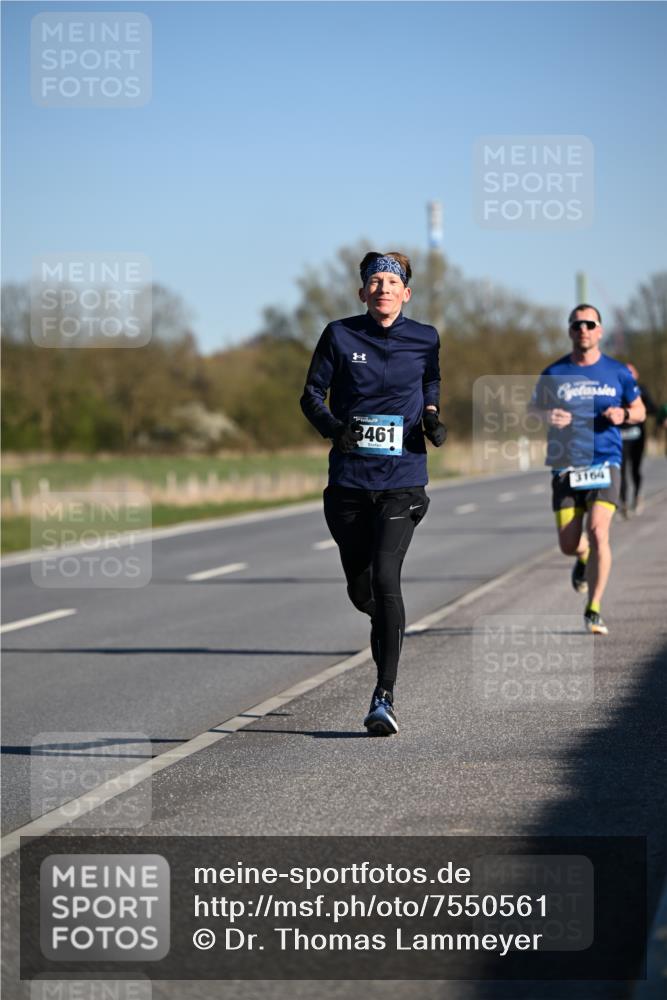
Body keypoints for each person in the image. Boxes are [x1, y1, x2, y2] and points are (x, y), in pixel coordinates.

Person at [300, 251, 446, 735]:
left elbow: (431, 378)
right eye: (374, 281)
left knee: (387, 578)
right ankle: (385, 622)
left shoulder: (425, 338)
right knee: (363, 591)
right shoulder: (340, 334)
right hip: (348, 484)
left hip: (402, 481)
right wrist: (333, 429)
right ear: (363, 293)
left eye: (392, 281)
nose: (383, 287)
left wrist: (430, 413)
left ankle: (384, 696)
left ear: (406, 292)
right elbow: (310, 395)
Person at [529, 304, 646, 635]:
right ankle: (582, 558)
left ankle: (593, 608)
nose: (583, 329)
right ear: (569, 330)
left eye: (589, 324)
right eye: (577, 324)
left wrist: (624, 416)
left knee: (598, 531)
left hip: (605, 461)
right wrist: (547, 416)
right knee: (569, 544)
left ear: (600, 330)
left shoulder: (618, 372)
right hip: (566, 466)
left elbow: (639, 411)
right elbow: (533, 410)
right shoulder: (553, 373)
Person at [619, 363, 657, 516]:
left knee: (635, 469)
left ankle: (637, 495)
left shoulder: (642, 391)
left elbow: (652, 408)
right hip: (620, 437)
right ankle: (623, 503)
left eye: (631, 372)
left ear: (636, 375)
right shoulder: (616, 391)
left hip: (637, 437)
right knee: (620, 471)